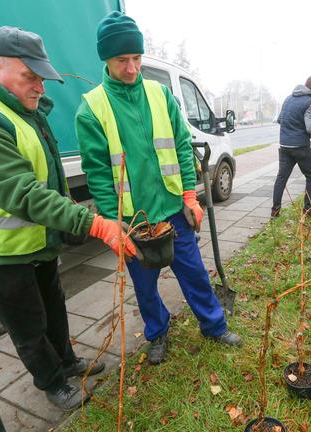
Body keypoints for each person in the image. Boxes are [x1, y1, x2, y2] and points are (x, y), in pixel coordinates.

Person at [0, 27, 136, 411]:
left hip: (33, 237)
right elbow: (21, 191)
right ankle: (51, 382)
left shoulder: (16, 104)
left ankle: (67, 362)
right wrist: (96, 224)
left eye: (42, 77)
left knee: (53, 305)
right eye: (30, 77)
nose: (41, 88)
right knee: (27, 323)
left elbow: (45, 170)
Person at [75, 12, 242, 365]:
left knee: (194, 271)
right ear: (106, 59)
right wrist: (111, 222)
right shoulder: (92, 109)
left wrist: (188, 195)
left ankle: (214, 325)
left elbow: (182, 146)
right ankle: (158, 333)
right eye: (123, 60)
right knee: (145, 286)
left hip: (172, 210)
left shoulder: (160, 94)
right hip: (135, 220)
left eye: (137, 58)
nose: (133, 67)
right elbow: (99, 172)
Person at [271, 75, 311, 218]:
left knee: (281, 178)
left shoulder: (288, 99)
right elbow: (310, 127)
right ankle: (308, 209)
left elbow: (280, 119)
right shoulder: (310, 101)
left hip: (285, 146)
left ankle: (275, 211)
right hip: (301, 147)